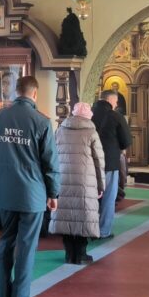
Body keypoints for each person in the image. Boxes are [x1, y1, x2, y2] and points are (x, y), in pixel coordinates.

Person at [0, 75, 60, 297]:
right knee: (26, 246)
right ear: (35, 94)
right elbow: (50, 162)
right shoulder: (42, 121)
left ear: (16, 92)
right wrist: (53, 192)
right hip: (32, 194)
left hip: (6, 191)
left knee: (6, 241)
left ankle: (3, 296)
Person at [49, 102, 105, 265]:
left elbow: (52, 156)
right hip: (85, 181)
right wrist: (101, 185)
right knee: (83, 216)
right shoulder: (91, 132)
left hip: (63, 179)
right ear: (88, 116)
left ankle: (69, 254)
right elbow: (99, 161)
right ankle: (80, 255)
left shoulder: (60, 130)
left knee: (65, 216)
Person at [92, 90, 132, 238]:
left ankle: (88, 228)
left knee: (90, 196)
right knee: (108, 196)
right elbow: (126, 141)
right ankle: (103, 231)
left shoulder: (87, 114)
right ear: (110, 100)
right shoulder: (115, 116)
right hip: (109, 162)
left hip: (88, 163)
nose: (116, 105)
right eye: (115, 102)